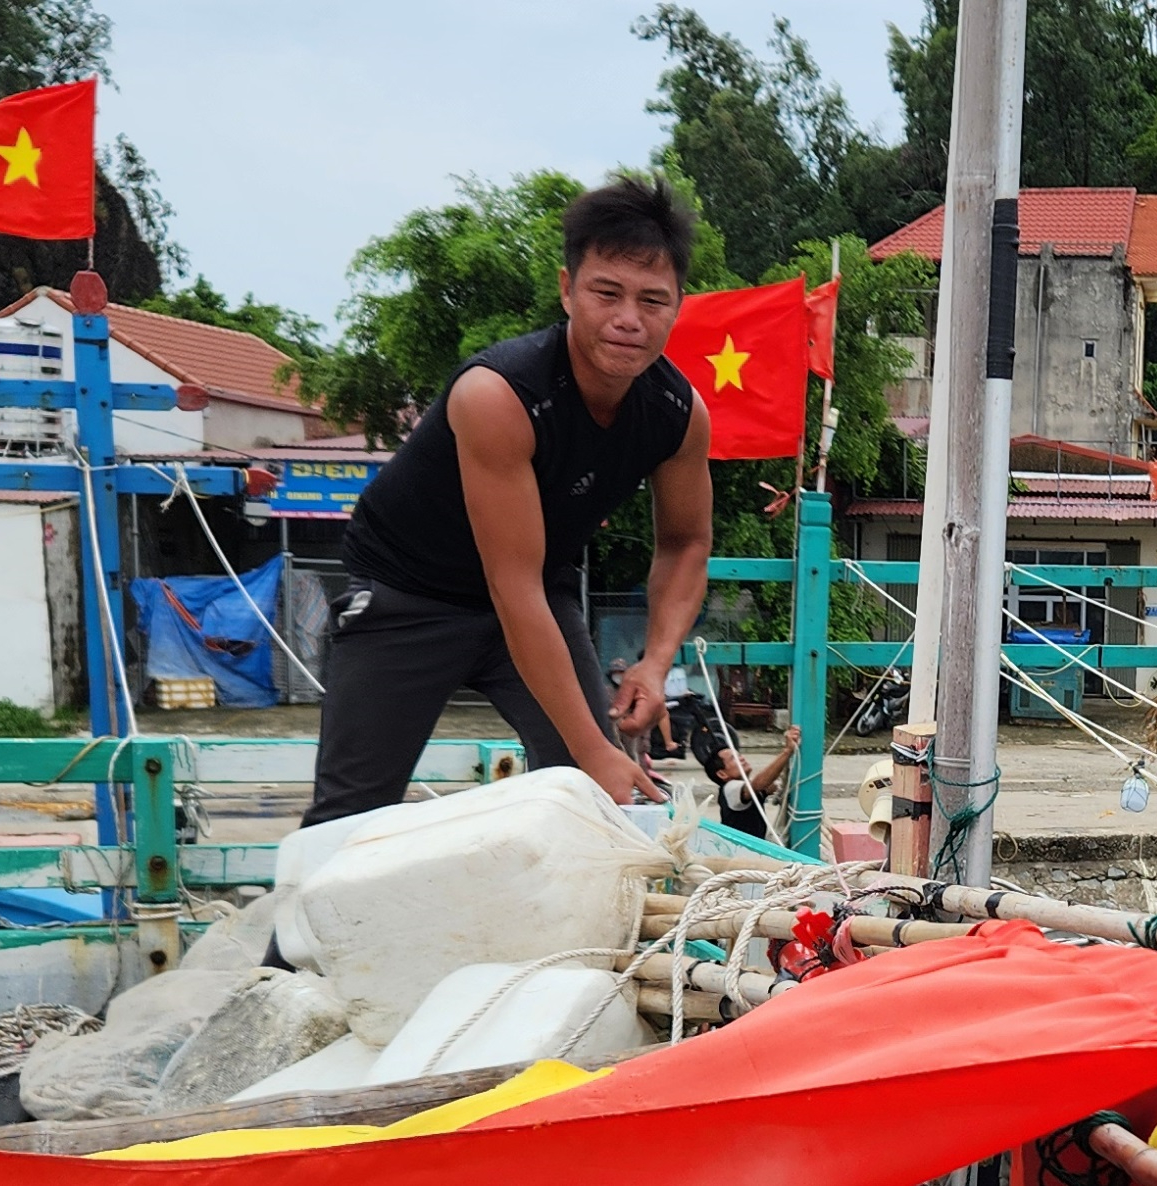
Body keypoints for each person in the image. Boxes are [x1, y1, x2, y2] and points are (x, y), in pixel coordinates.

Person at [303, 175, 714, 826]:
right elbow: (510, 584)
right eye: (606, 292)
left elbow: (686, 543)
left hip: (539, 593)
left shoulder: (676, 412)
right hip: (407, 595)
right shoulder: (499, 395)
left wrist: (656, 664)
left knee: (591, 804)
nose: (629, 319)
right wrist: (593, 754)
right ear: (567, 289)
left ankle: (573, 934)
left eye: (652, 300)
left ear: (677, 305)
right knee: (350, 817)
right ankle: (297, 931)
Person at [695, 724, 801, 841]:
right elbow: (757, 784)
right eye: (733, 758)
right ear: (722, 774)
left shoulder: (747, 789)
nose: (741, 758)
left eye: (739, 755)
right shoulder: (730, 789)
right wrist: (787, 751)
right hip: (740, 853)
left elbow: (768, 785)